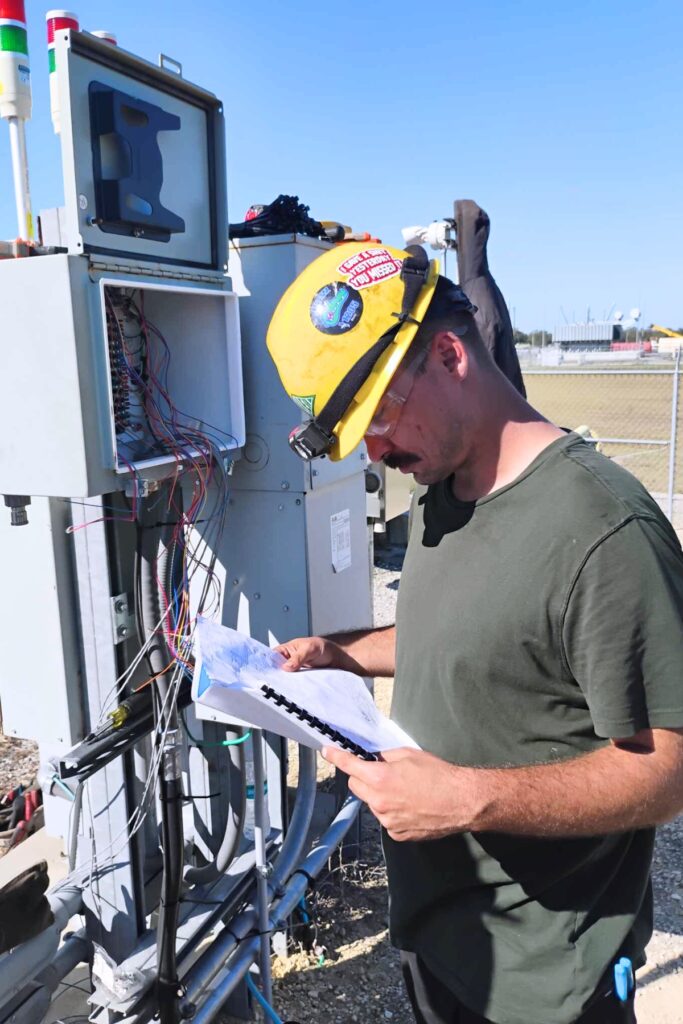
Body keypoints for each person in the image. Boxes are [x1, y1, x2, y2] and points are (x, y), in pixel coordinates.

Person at [265, 242, 683, 1024]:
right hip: (439, 938)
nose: (375, 452)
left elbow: (668, 771)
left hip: (545, 982)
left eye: (378, 415)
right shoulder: (443, 488)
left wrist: (467, 798)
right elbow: (464, 633)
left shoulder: (603, 532)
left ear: (450, 354)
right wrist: (342, 654)